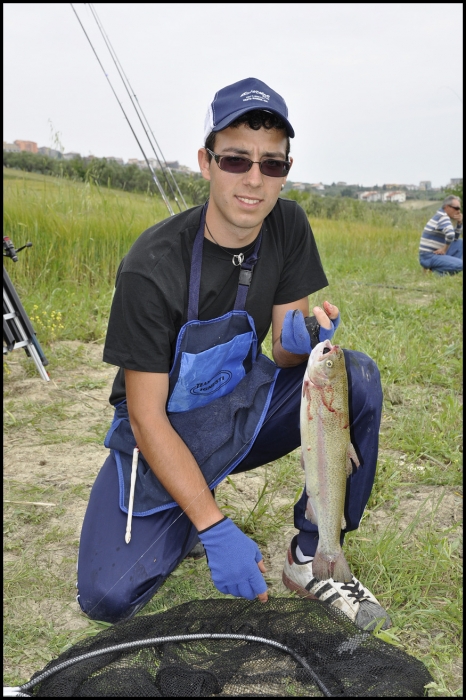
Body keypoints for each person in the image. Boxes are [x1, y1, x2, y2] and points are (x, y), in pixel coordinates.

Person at [76, 77, 390, 631]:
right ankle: (190, 515)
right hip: (164, 433)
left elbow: (292, 360)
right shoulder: (152, 266)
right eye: (236, 159)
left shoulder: (288, 225)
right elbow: (147, 418)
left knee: (354, 375)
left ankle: (312, 554)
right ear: (206, 162)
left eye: (273, 164)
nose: (254, 179)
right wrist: (213, 523)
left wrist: (302, 345)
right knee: (109, 597)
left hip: (243, 414)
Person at [419, 195, 463, 274]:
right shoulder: (443, 217)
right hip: (429, 256)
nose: (459, 211)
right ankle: (434, 273)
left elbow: (455, 238)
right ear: (447, 207)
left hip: (432, 254)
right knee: (461, 265)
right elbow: (450, 234)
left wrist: (459, 223)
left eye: (459, 208)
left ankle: (449, 267)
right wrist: (444, 249)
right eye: (456, 208)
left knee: (460, 242)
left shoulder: (441, 215)